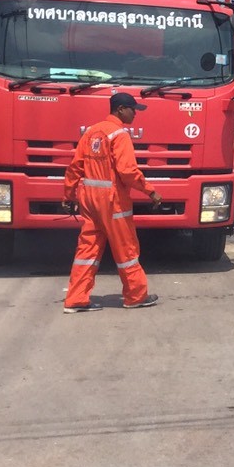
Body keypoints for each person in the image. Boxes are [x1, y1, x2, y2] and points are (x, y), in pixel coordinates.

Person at [62, 91, 163, 311]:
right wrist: (150, 191)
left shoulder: (90, 133)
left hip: (89, 201)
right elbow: (127, 171)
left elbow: (75, 167)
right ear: (120, 109)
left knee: (87, 250)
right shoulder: (120, 135)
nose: (135, 114)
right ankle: (135, 296)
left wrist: (69, 195)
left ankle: (75, 299)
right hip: (113, 202)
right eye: (132, 109)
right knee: (126, 250)